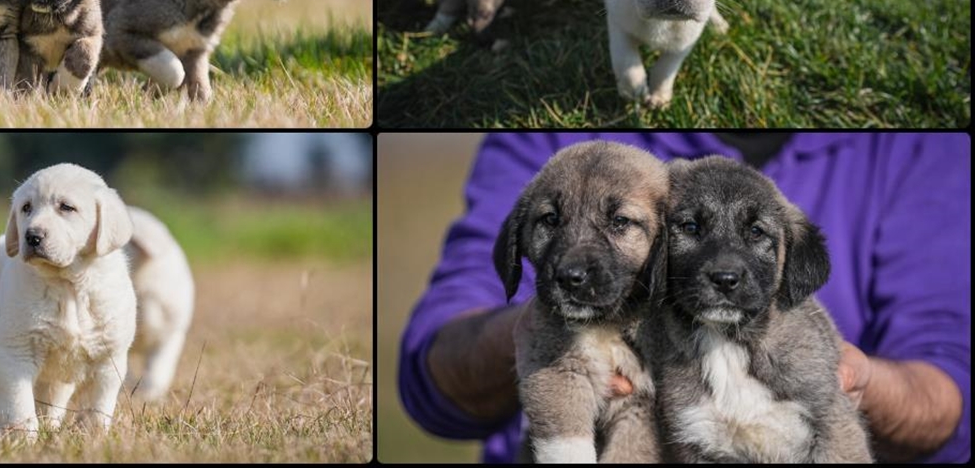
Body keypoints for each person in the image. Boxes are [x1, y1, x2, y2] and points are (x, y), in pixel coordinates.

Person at [398, 133, 969, 463]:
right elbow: (434, 365)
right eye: (689, 230)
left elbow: (951, 376)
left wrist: (848, 386)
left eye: (623, 222)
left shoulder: (918, 149)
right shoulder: (553, 149)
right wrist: (553, 346)